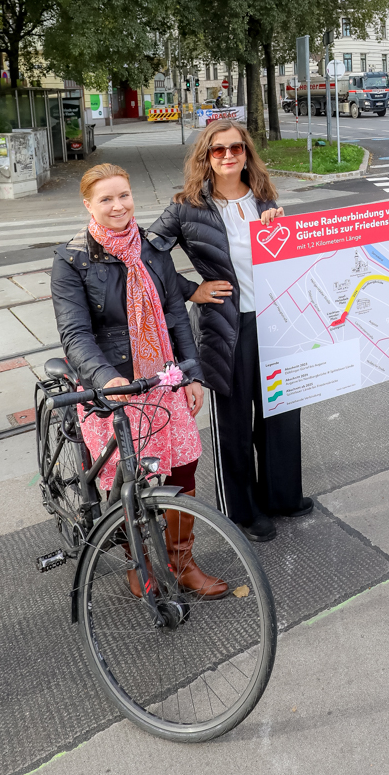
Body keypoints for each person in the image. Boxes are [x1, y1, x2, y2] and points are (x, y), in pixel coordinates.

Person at [51, 163, 227, 597]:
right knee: (131, 475)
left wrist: (190, 373)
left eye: (124, 195)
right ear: (88, 204)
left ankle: (182, 561)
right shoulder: (70, 259)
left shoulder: (151, 247)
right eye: (106, 199)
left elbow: (173, 314)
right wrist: (107, 379)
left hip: (162, 377)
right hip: (112, 382)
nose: (118, 206)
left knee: (183, 467)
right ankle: (138, 560)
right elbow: (76, 334)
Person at [149, 120, 311, 543]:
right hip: (226, 326)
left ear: (246, 153)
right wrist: (191, 289)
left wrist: (281, 226)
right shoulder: (186, 206)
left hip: (275, 321)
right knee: (234, 421)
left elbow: (283, 257)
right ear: (205, 157)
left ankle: (282, 496)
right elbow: (149, 253)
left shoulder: (263, 199)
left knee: (280, 410)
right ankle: (242, 509)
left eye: (235, 148)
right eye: (217, 150)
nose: (227, 156)